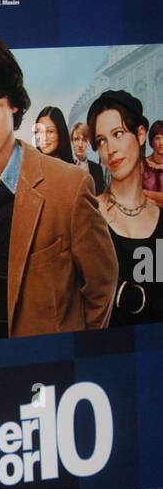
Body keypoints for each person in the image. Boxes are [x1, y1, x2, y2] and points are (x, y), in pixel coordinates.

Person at [0, 37, 118, 340]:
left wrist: (73, 356)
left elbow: (102, 286)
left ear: (15, 105)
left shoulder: (69, 187)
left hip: (47, 378)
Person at [87, 90, 163, 326]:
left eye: (118, 134)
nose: (110, 149)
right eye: (101, 141)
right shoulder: (89, 215)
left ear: (140, 135)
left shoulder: (160, 218)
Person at [70, 120, 106, 194]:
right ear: (72, 142)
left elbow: (100, 195)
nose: (80, 144)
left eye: (84, 140)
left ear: (89, 142)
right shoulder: (65, 165)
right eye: (76, 139)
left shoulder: (97, 169)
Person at [141, 117, 163, 209]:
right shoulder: (142, 164)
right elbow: (134, 193)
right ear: (151, 141)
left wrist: (145, 193)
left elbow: (141, 193)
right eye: (157, 138)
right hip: (147, 215)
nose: (161, 142)